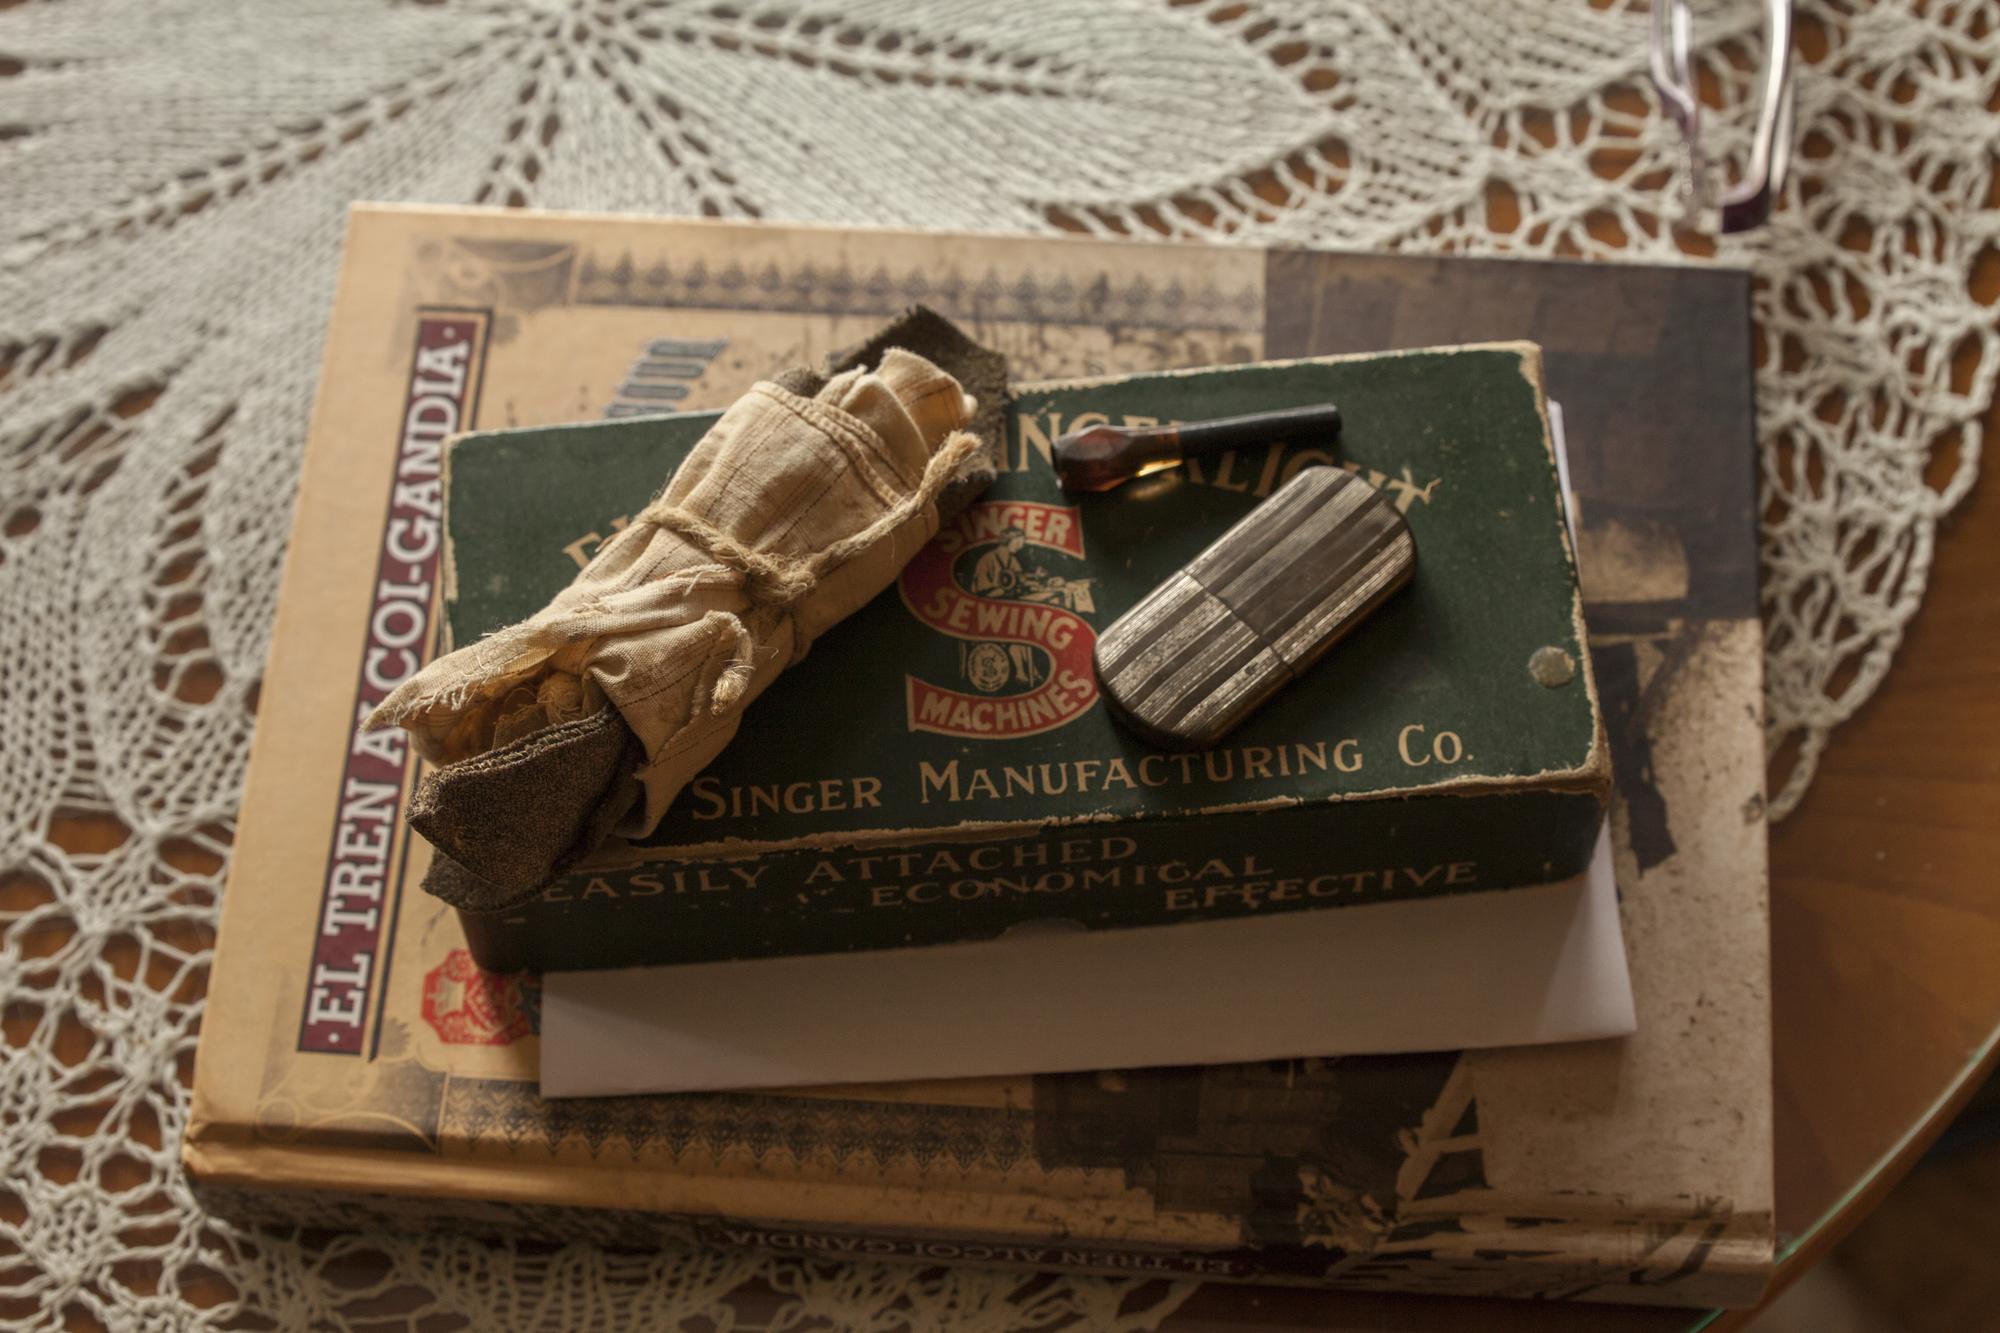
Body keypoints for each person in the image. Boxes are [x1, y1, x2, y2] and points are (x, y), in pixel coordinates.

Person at [970, 526, 1029, 598]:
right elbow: (980, 589)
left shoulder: (1013, 559)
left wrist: (1022, 579)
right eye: (1018, 543)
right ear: (1008, 540)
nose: (1020, 547)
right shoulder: (987, 559)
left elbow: (1019, 574)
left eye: (1021, 544)